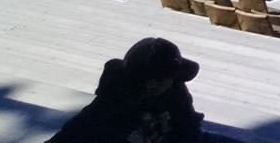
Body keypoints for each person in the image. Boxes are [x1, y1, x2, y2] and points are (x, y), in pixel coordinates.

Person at [48, 36, 204, 143]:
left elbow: (189, 126)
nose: (177, 80)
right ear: (152, 84)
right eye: (171, 76)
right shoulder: (103, 113)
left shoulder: (173, 89)